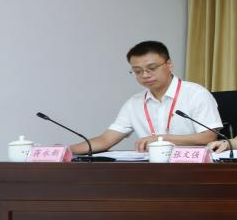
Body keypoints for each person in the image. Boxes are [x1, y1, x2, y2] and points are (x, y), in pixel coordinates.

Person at [77, 40, 220, 154]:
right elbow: (105, 140)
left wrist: (160, 139)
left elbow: (208, 136)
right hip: (151, 168)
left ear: (169, 64)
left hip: (192, 167)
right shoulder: (134, 103)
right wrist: (66, 150)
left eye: (152, 68)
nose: (145, 75)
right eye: (138, 71)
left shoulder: (195, 94)